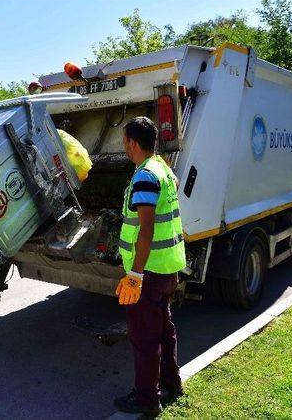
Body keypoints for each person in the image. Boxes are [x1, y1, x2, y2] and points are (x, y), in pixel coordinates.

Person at [114, 117, 187, 415]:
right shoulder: (163, 170)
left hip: (150, 272)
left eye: (124, 142)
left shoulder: (145, 175)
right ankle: (172, 383)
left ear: (133, 143)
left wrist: (135, 274)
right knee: (164, 330)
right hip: (169, 267)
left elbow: (146, 228)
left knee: (144, 336)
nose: (124, 148)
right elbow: (176, 187)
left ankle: (146, 397)